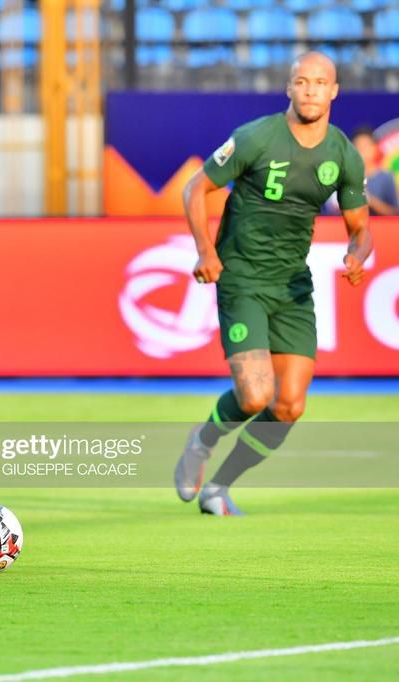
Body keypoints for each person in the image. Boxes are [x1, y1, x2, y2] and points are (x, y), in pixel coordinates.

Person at [174, 52, 373, 515]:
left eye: (319, 82)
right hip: (242, 277)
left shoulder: (344, 154)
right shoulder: (257, 137)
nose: (310, 89)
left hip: (292, 287)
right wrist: (205, 251)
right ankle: (203, 440)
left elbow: (361, 228)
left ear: (334, 91)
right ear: (289, 87)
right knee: (255, 395)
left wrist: (357, 255)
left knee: (289, 406)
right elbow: (195, 188)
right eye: (301, 81)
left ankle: (219, 488)